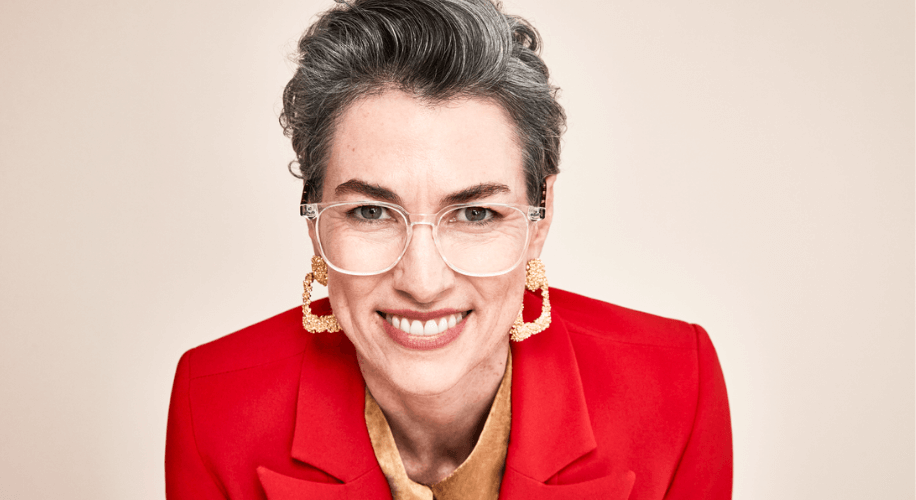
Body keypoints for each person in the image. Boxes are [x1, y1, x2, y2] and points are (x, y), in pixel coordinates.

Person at [165, 0, 733, 498]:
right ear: (315, 222)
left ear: (540, 218)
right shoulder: (212, 405)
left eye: (476, 213)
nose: (423, 280)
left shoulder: (678, 385)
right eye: (369, 211)